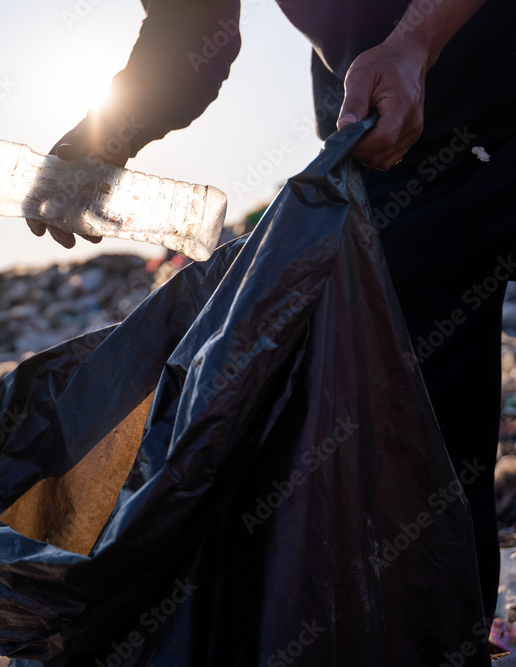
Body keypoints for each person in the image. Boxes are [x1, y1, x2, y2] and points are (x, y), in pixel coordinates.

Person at [26, 0, 515, 637]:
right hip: (399, 152)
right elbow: (191, 30)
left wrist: (415, 39)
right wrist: (103, 137)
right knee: (420, 452)